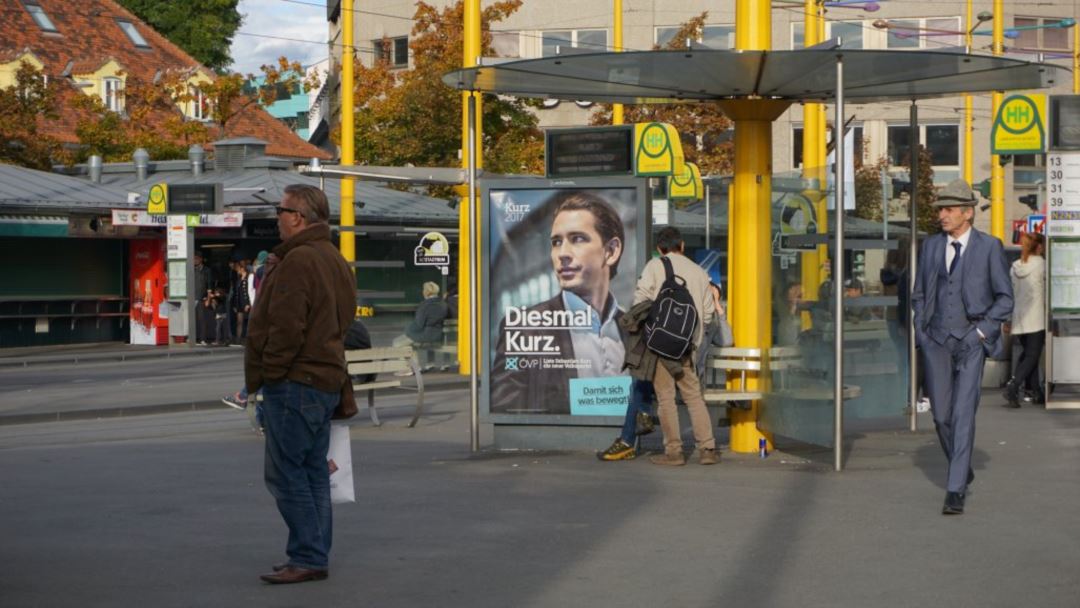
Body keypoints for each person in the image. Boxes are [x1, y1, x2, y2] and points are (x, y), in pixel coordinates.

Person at [245, 184, 355, 584]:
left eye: (281, 209)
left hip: (296, 381)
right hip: (324, 379)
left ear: (299, 216)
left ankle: (307, 555)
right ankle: (313, 553)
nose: (277, 216)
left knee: (286, 472)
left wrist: (270, 373)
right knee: (311, 472)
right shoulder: (334, 258)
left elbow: (286, 326)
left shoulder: (298, 260)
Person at [911, 179, 1013, 515]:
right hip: (936, 340)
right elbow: (920, 293)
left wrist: (982, 333)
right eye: (940, 209)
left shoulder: (989, 247)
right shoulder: (929, 247)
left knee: (963, 413)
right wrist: (922, 331)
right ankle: (961, 463)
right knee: (941, 416)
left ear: (967, 214)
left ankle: (955, 489)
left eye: (949, 209)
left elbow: (1004, 299)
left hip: (971, 340)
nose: (942, 214)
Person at [490, 191, 627, 414]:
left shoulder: (633, 327)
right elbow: (505, 407)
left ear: (611, 251)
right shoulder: (525, 327)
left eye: (578, 239)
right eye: (556, 242)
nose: (562, 253)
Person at [599, 280, 730, 461]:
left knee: (647, 387)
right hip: (677, 365)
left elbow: (727, 341)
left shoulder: (711, 319)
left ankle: (638, 436)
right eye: (707, 292)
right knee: (641, 382)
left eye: (713, 294)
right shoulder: (687, 313)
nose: (708, 296)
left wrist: (719, 309)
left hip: (687, 370)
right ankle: (706, 450)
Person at [632, 226, 719, 466]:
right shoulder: (700, 272)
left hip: (660, 346)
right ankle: (708, 449)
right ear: (682, 246)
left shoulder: (655, 266)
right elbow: (708, 313)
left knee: (666, 397)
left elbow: (640, 302)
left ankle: (674, 452)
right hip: (687, 346)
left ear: (660, 249)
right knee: (693, 396)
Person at [1004, 232, 1046, 408]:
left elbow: (1008, 293)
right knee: (1032, 355)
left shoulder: (1015, 266)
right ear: (1039, 247)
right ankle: (1014, 384)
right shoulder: (1042, 265)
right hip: (1037, 317)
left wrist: (1007, 319)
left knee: (1030, 354)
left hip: (1019, 316)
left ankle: (1037, 392)